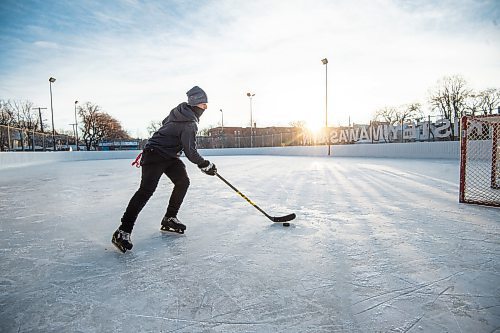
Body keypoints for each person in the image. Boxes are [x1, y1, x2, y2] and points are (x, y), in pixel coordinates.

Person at [112, 86, 217, 253]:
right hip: (154, 154)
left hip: (169, 156)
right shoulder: (190, 123)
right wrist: (204, 164)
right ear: (197, 104)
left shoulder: (179, 111)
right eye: (205, 105)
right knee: (146, 191)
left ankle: (169, 218)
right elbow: (190, 151)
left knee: (182, 182)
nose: (206, 108)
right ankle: (123, 230)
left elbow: (164, 123)